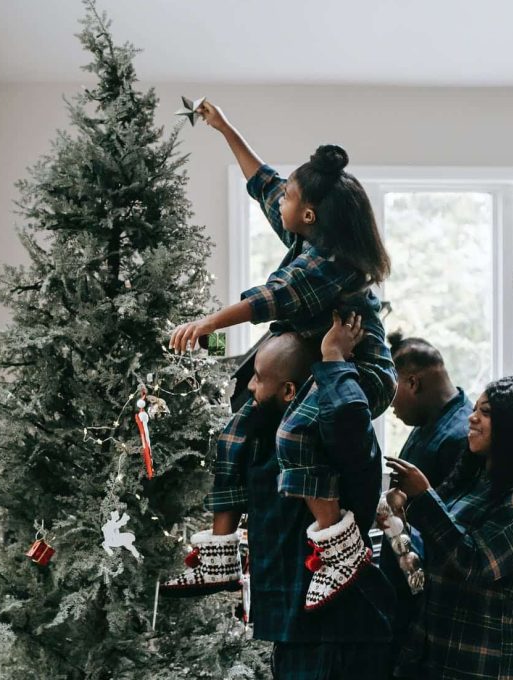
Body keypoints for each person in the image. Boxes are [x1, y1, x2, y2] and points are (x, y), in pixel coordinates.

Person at [164, 100, 396, 608]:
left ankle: (340, 546)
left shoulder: (328, 264)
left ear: (308, 213)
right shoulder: (308, 228)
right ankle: (219, 556)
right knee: (235, 432)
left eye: (291, 197)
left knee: (294, 432)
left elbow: (266, 301)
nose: (282, 201)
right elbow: (263, 182)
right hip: (321, 362)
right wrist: (225, 128)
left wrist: (206, 325)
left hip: (360, 370)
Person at [182, 326, 396, 679]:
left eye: (259, 379)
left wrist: (333, 359)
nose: (250, 387)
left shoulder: (333, 436)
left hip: (337, 634)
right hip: (293, 627)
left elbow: (349, 412)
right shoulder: (264, 436)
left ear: (289, 391)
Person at [386, 376, 513, 680]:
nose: (471, 418)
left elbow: (475, 564)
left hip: (489, 666)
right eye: (475, 409)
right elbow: (442, 551)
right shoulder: (476, 483)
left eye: (485, 412)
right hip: (444, 654)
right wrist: (399, 518)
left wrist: (424, 496)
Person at [380, 332, 472, 666]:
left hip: (429, 604)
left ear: (413, 383)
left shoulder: (461, 437)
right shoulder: (428, 423)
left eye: (391, 392)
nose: (390, 406)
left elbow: (450, 529)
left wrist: (400, 509)